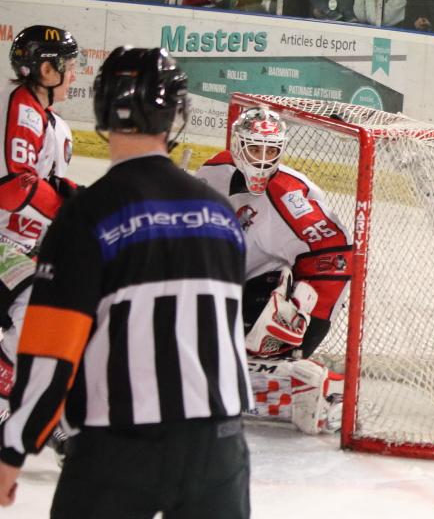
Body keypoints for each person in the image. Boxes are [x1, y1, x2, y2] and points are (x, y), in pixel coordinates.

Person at [0, 46, 252, 516]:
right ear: (175, 115)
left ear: (102, 109)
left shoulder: (87, 214)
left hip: (119, 446)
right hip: (220, 447)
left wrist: (14, 447)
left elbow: (52, 351)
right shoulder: (221, 214)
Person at [195, 107, 352, 435]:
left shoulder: (292, 198)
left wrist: (308, 325)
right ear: (238, 146)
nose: (264, 160)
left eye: (272, 151)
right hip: (219, 280)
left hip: (260, 287)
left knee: (257, 331)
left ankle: (299, 377)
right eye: (256, 149)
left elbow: (336, 256)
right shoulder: (213, 172)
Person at [0, 25, 82, 431]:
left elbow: (47, 187)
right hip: (3, 244)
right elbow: (15, 187)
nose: (74, 74)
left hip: (15, 247)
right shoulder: (19, 109)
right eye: (68, 65)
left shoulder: (50, 123)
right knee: (38, 311)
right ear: (46, 70)